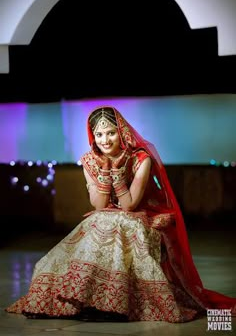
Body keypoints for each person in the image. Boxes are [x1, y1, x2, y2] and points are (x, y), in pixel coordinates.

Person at [6, 105, 236, 322]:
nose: (105, 140)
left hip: (141, 217)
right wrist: (103, 171)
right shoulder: (89, 161)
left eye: (110, 133)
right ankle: (84, 300)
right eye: (99, 135)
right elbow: (99, 204)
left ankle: (113, 305)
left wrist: (116, 172)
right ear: (93, 137)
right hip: (106, 217)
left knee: (118, 223)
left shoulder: (140, 158)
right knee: (96, 222)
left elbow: (129, 204)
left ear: (121, 132)